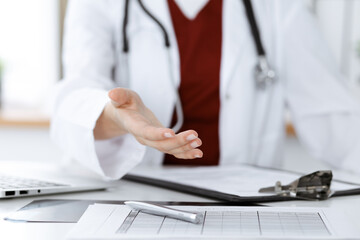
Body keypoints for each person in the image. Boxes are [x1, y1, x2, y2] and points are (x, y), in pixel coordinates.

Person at [51, 0, 360, 179]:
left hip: (245, 201)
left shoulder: (278, 6)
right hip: (135, 195)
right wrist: (117, 117)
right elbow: (77, 96)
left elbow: (334, 118)